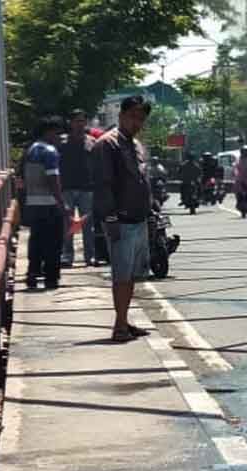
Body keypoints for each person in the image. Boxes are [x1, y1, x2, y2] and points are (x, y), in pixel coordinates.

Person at [92, 95, 153, 343]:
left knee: (132, 276)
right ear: (121, 116)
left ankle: (124, 320)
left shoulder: (135, 145)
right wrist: (110, 218)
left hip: (138, 218)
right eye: (133, 116)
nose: (136, 122)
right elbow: (103, 185)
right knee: (122, 276)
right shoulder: (108, 144)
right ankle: (119, 326)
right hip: (121, 220)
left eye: (141, 118)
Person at [23, 115, 69, 290]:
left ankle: (32, 273)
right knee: (53, 243)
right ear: (49, 132)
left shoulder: (31, 150)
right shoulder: (49, 151)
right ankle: (51, 277)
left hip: (33, 203)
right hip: (50, 204)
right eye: (58, 134)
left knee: (36, 240)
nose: (60, 138)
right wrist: (62, 203)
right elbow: (53, 180)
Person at [59, 109, 96, 267]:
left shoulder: (92, 142)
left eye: (82, 121)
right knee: (67, 224)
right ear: (70, 123)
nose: (79, 124)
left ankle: (90, 256)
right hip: (66, 187)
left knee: (88, 225)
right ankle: (67, 256)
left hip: (87, 189)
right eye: (76, 121)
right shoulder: (61, 141)